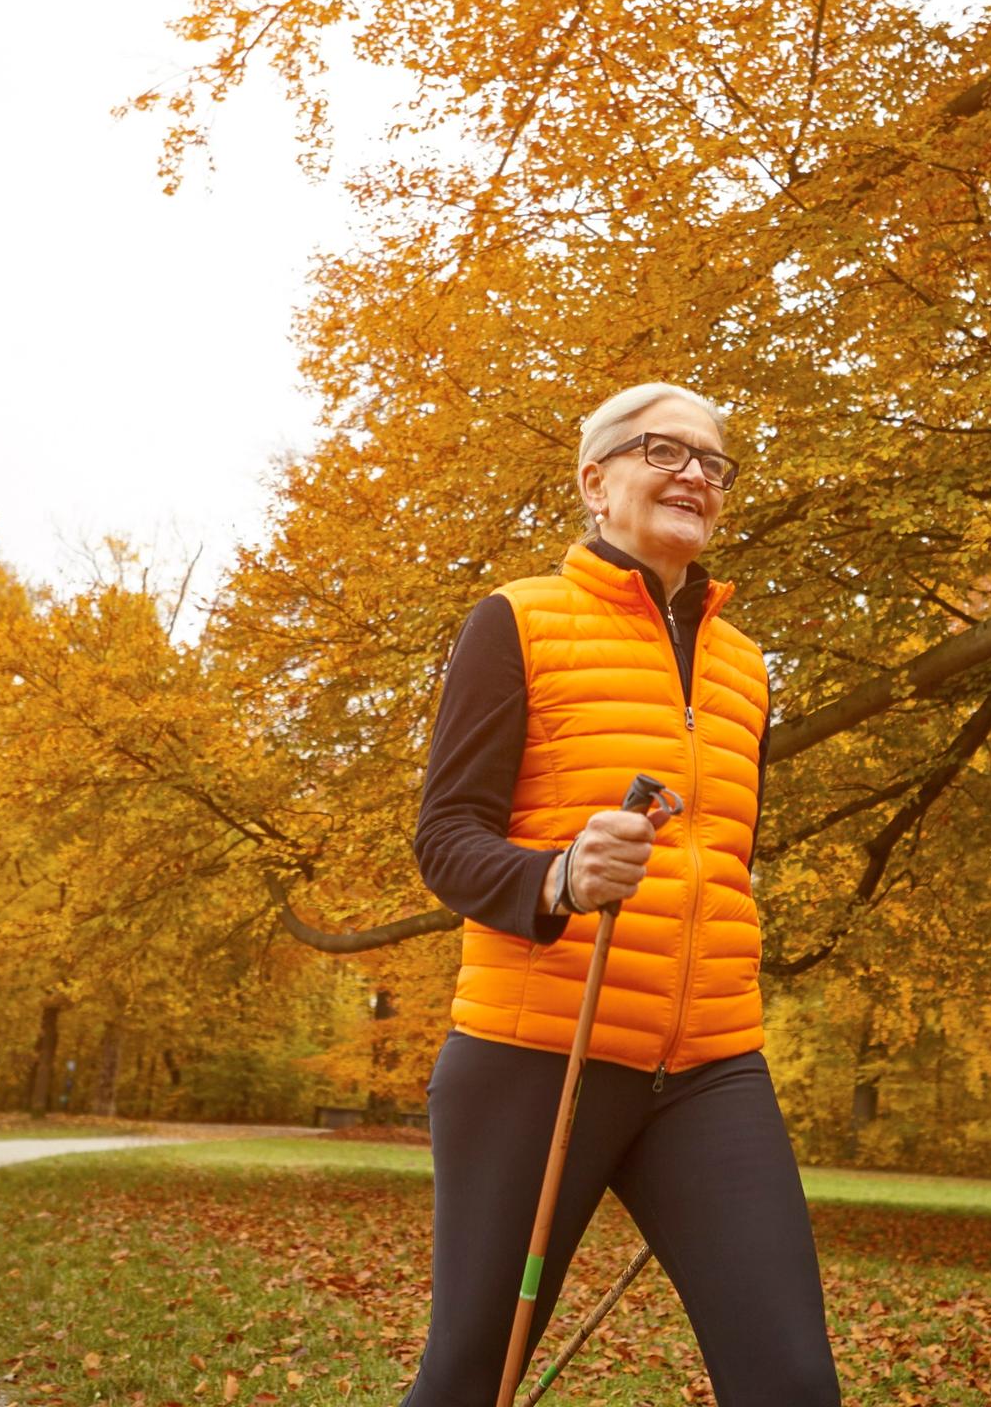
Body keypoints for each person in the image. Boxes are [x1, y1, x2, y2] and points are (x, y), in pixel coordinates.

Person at [402, 382, 841, 1405]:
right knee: (474, 1376)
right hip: (536, 1058)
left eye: (714, 462)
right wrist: (555, 876)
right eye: (663, 451)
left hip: (710, 1068)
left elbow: (725, 859)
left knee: (793, 1383)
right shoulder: (516, 620)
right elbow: (445, 841)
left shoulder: (745, 666)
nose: (695, 474)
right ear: (596, 483)